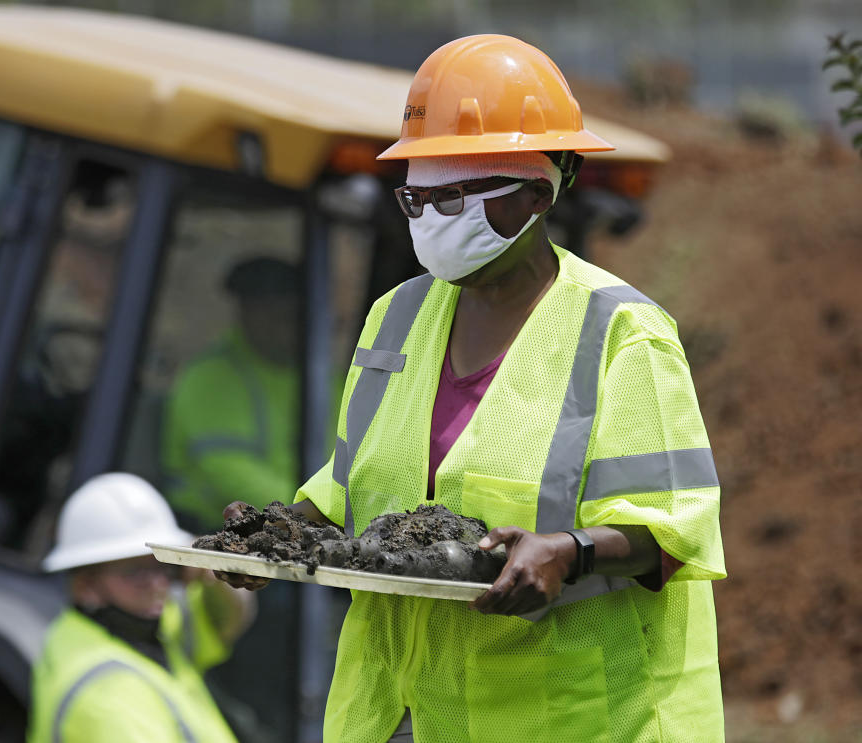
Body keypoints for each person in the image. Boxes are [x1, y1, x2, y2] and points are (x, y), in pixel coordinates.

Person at [220, 34, 726, 743]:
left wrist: (567, 551)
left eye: (452, 195)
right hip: (398, 714)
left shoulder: (623, 334)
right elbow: (350, 491)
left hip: (568, 720)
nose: (428, 217)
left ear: (537, 192)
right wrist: (276, 534)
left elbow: (673, 531)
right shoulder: (392, 319)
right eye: (414, 196)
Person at [27, 472, 244, 742]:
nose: (158, 585)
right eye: (135, 572)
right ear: (85, 586)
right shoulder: (110, 699)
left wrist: (214, 567)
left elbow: (231, 621)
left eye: (162, 566)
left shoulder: (133, 625)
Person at [162, 257, 302, 529]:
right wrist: (309, 513)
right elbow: (226, 472)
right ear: (246, 312)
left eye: (290, 314)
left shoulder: (327, 379)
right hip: (214, 537)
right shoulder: (212, 378)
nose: (283, 325)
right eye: (271, 313)